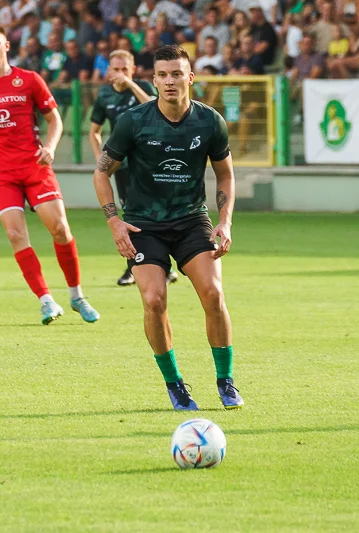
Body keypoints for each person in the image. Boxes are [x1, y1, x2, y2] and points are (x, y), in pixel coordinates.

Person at [92, 44, 244, 411]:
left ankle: (226, 381)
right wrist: (115, 221)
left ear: (190, 78)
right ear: (154, 79)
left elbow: (225, 175)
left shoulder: (210, 121)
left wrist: (224, 222)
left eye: (177, 73)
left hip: (192, 220)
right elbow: (101, 172)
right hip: (144, 225)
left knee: (213, 294)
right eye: (162, 74)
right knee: (154, 299)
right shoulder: (133, 121)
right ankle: (175, 385)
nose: (169, 81)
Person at [0, 21, 100, 325]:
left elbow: (56, 120)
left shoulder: (29, 80)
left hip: (35, 166)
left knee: (60, 228)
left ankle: (77, 296)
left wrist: (50, 147)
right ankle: (46, 300)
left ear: (6, 45)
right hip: (1, 172)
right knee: (14, 234)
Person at [88, 50, 181, 287]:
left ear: (132, 70)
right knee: (130, 214)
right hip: (122, 164)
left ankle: (160, 264)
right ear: (108, 71)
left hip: (150, 162)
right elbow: (94, 132)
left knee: (158, 212)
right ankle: (138, 265)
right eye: (115, 69)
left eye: (124, 69)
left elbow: (154, 106)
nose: (119, 74)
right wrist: (101, 161)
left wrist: (130, 85)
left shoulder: (142, 88)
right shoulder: (104, 95)